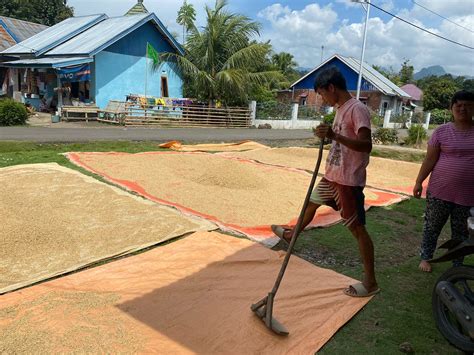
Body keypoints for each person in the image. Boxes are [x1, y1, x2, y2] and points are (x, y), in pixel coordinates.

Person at [272, 67, 379, 297]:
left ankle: (370, 282)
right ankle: (292, 235)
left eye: (322, 93)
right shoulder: (340, 109)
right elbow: (338, 138)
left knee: (357, 229)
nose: (322, 99)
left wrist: (334, 136)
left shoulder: (357, 109)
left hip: (348, 182)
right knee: (309, 204)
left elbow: (366, 145)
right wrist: (326, 134)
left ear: (332, 88)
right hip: (332, 176)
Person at [414, 90, 474, 272]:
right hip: (440, 190)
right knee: (432, 226)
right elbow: (430, 160)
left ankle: (457, 264)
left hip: (468, 194)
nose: (462, 109)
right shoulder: (441, 131)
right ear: (451, 108)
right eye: (458, 105)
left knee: (462, 232)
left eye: (468, 105)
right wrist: (418, 182)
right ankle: (426, 258)